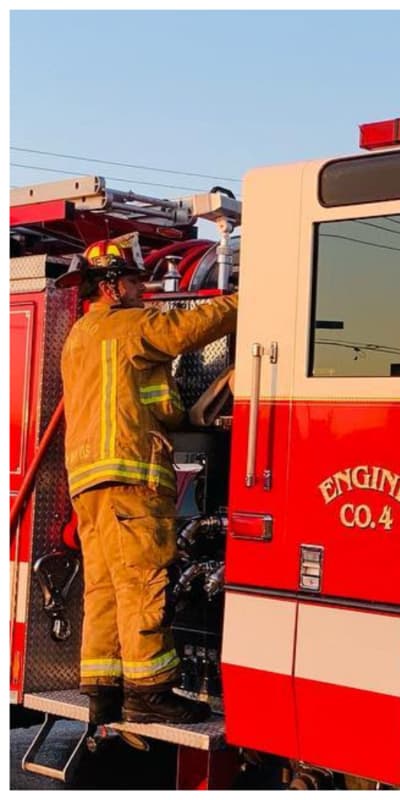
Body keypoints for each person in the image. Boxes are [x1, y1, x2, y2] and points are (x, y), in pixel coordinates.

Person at [56, 235, 238, 725]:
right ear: (112, 286)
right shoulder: (129, 328)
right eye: (136, 280)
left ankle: (103, 689)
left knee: (105, 586)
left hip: (91, 483)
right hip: (130, 478)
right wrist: (249, 299)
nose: (144, 289)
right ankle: (149, 691)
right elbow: (187, 326)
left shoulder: (81, 335)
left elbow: (155, 400)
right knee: (143, 581)